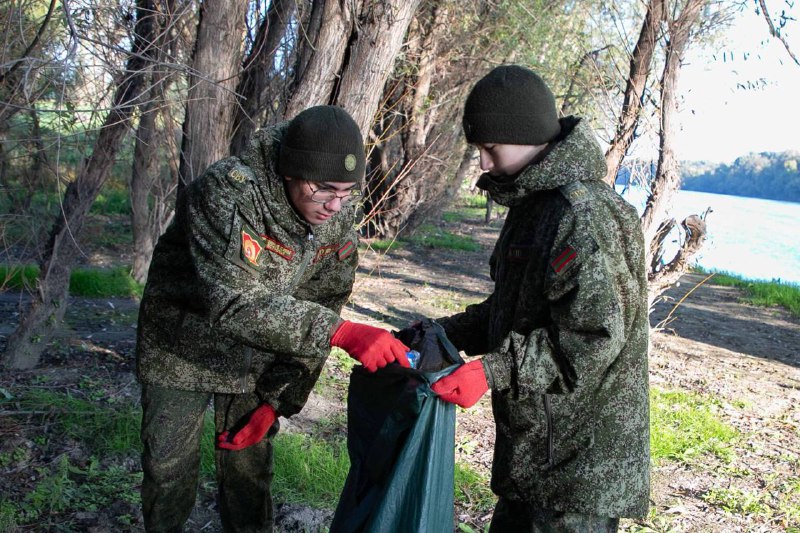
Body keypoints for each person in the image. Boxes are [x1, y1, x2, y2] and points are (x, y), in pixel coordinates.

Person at [135, 105, 410, 532]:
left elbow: (325, 304)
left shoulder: (335, 217)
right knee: (168, 474)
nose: (336, 205)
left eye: (348, 192)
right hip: (180, 348)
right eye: (324, 189)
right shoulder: (229, 192)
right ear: (289, 171)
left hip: (257, 357)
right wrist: (342, 333)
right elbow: (233, 301)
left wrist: (276, 400)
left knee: (249, 478)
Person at [428, 65, 650, 531]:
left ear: (525, 136)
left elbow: (591, 338)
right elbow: (512, 311)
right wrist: (438, 334)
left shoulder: (580, 214)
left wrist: (492, 369)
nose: (485, 164)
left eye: (491, 149)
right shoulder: (534, 204)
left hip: (578, 468)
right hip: (537, 451)